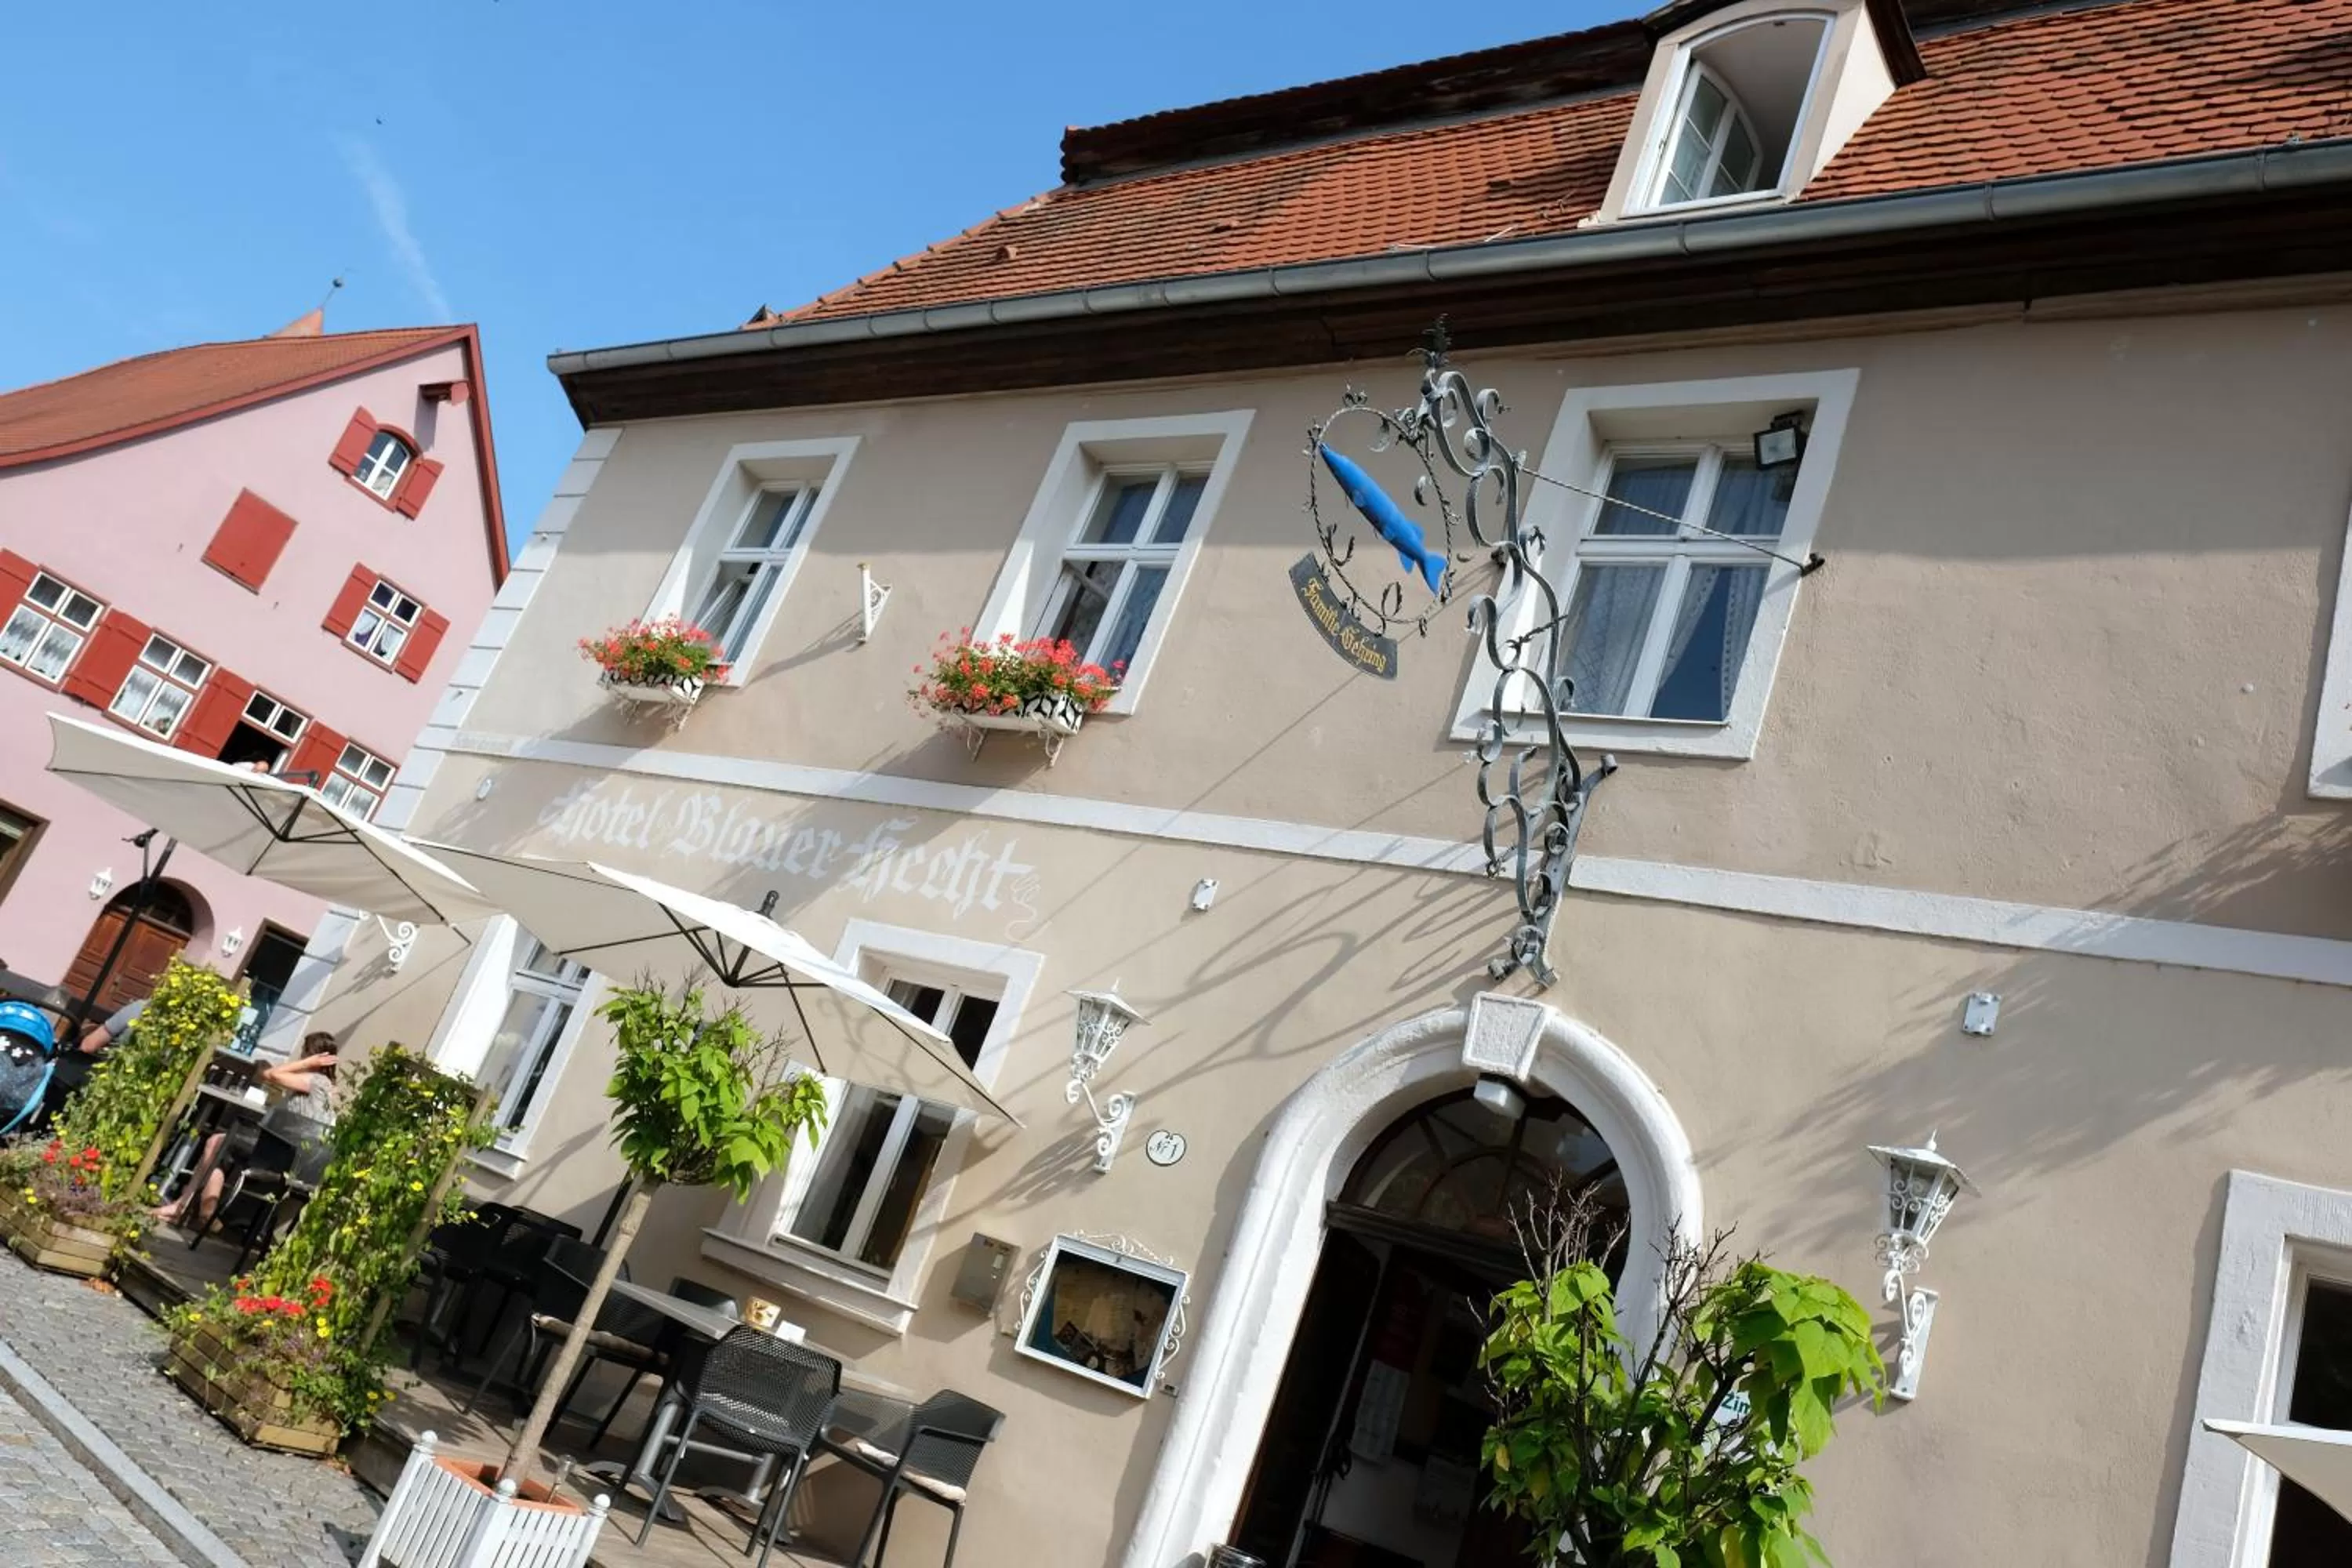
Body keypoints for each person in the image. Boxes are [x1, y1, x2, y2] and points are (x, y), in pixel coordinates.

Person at [157, 1032, 339, 1232]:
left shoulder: (317, 1081)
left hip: (285, 1156)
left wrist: (306, 1064)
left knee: (216, 1143)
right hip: (291, 1156)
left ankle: (198, 1213)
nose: (301, 1055)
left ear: (314, 1055)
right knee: (218, 1147)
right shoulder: (323, 1085)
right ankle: (196, 1211)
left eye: (305, 1052)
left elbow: (271, 1075)